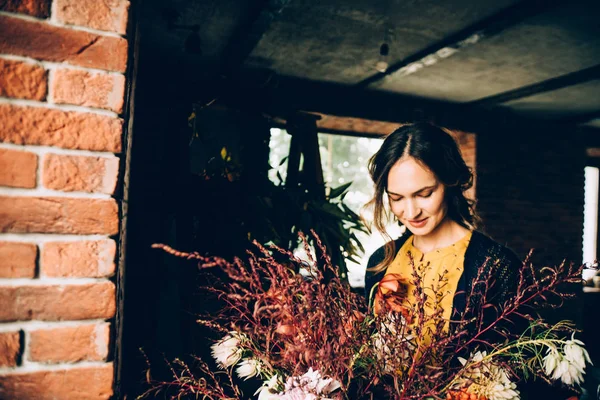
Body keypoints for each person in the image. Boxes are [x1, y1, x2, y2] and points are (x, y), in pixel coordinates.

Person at [362, 122, 574, 400]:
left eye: (424, 194)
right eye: (397, 198)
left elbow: (524, 368)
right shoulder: (381, 262)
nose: (411, 211)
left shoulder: (496, 264)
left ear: (450, 183)